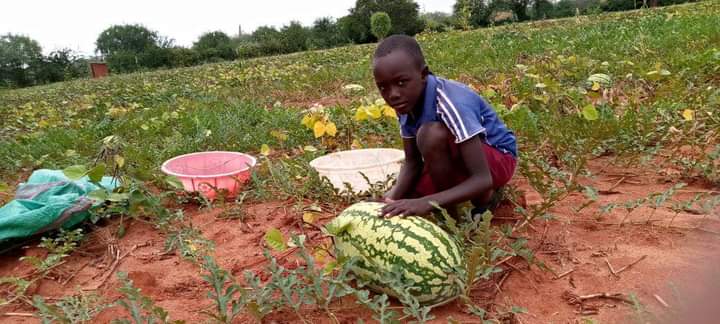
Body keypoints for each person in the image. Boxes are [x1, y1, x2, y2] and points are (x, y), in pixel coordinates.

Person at [373, 35, 517, 218]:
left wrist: (428, 203)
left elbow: (482, 178)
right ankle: (450, 216)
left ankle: (483, 200)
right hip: (460, 154)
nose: (393, 94)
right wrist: (390, 200)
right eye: (383, 87)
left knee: (429, 135)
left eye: (401, 82)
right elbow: (412, 162)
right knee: (409, 197)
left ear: (423, 74)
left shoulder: (451, 102)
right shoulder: (404, 102)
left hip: (497, 159)